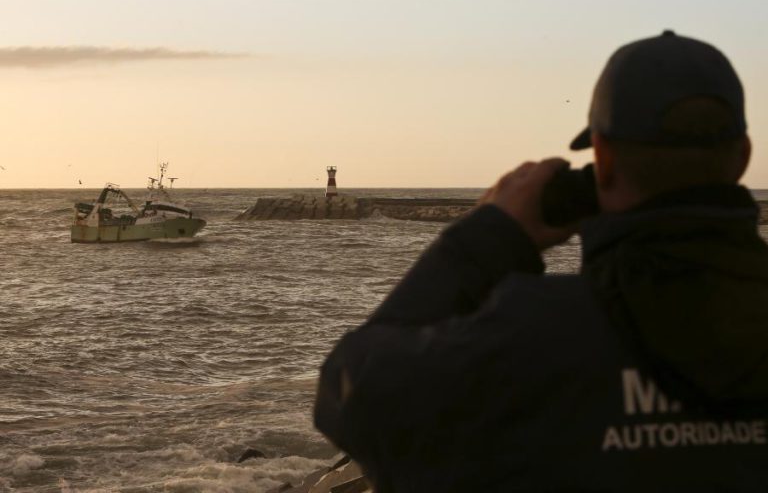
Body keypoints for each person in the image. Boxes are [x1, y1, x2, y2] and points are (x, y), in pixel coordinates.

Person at [313, 30, 768, 492]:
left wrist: (486, 238)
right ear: (743, 157)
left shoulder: (532, 333)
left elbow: (350, 393)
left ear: (603, 159)